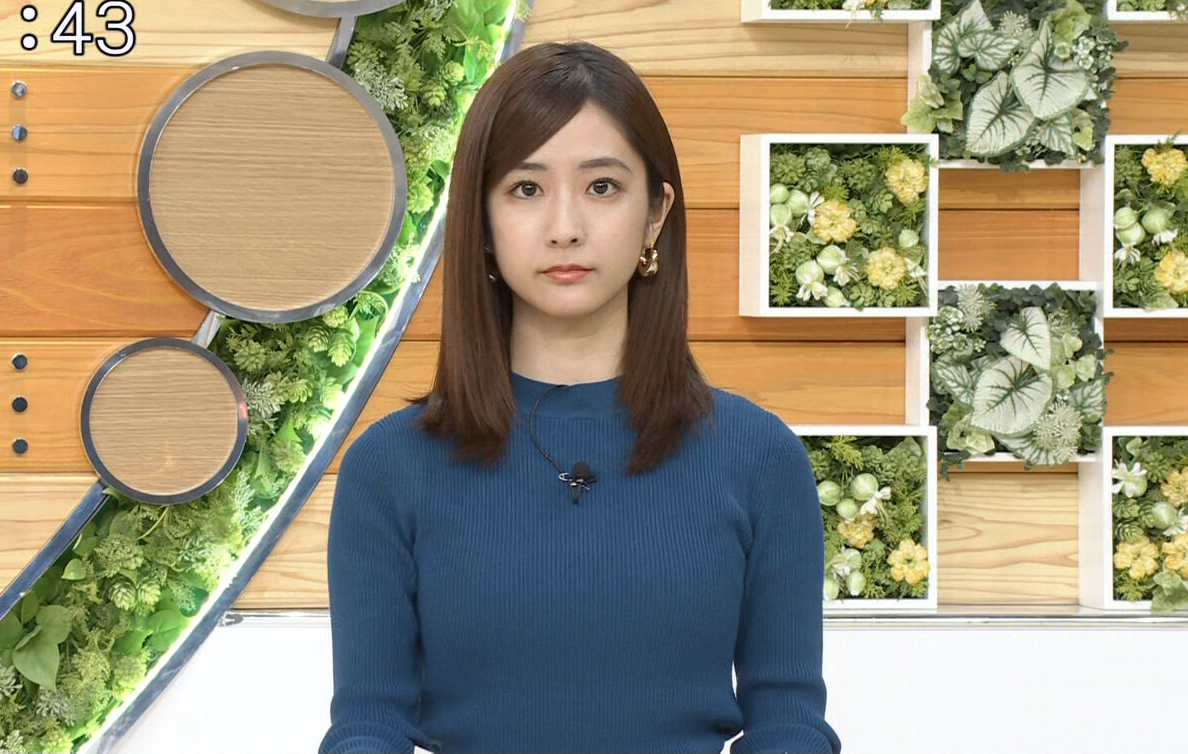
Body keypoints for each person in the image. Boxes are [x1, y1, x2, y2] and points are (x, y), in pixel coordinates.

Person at [319, 40, 841, 754]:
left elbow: (790, 725)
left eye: (601, 187)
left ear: (655, 214)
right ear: (481, 222)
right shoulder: (387, 467)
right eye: (525, 189)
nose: (565, 227)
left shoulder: (758, 455)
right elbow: (366, 727)